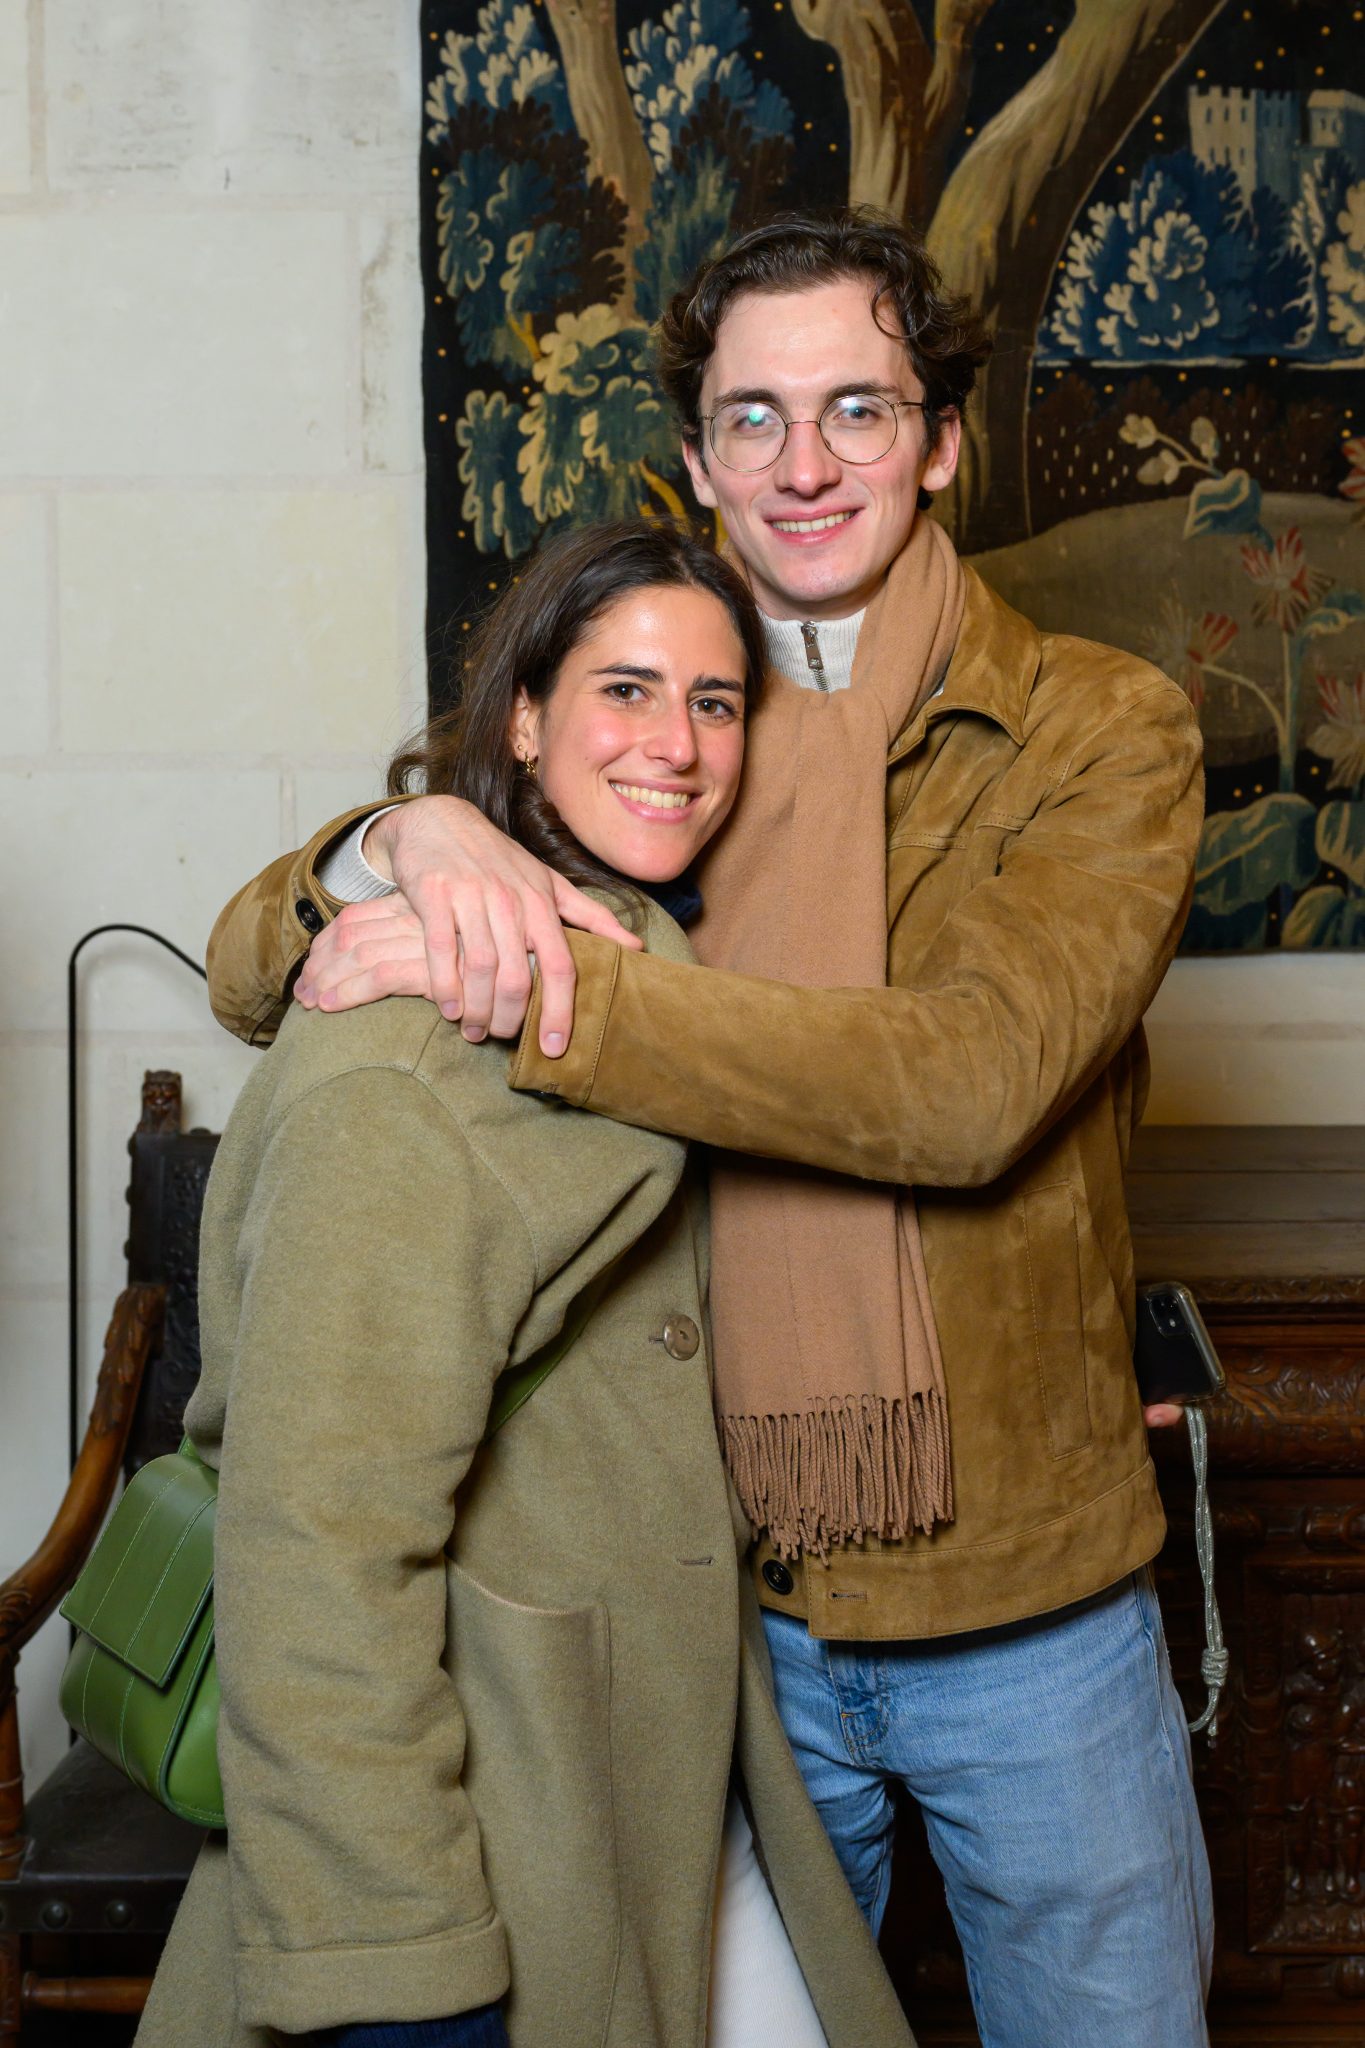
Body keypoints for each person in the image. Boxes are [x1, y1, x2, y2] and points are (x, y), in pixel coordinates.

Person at [205, 210, 1213, 2048]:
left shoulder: (1095, 727)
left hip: (1022, 1601)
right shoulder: (679, 733)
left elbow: (964, 1085)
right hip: (714, 1620)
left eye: (854, 408)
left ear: (938, 438)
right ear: (696, 456)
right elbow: (250, 953)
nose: (805, 464)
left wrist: (528, 972)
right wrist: (399, 841)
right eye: (753, 418)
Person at [136, 522, 913, 2048]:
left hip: (680, 1787)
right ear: (523, 720)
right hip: (500, 1816)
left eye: (713, 701)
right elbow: (314, 1542)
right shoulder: (414, 1047)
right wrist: (400, 1977)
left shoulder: (657, 975)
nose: (677, 747)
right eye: (625, 690)